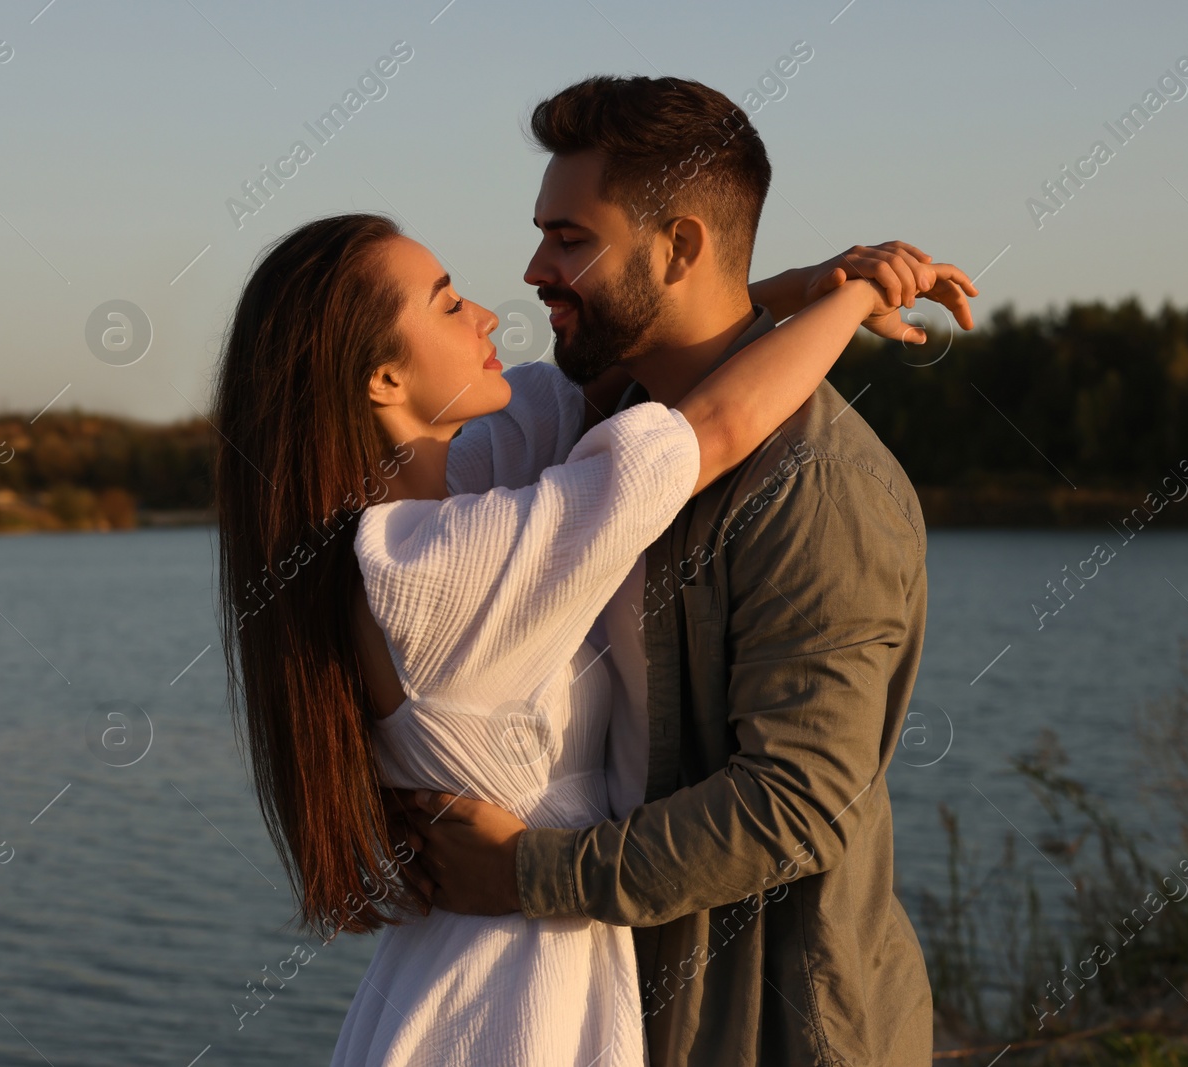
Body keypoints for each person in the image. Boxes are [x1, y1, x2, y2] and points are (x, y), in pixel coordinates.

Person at [211, 207, 972, 1064]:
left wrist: (801, 289)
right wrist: (860, 294)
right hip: (513, 1000)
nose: (489, 314)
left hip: (473, 970)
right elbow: (714, 425)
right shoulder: (441, 570)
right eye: (447, 302)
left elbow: (641, 355)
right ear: (385, 379)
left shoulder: (458, 490)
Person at [400, 75, 975, 1066]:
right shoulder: (598, 430)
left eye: (570, 237)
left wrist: (526, 873)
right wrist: (807, 289)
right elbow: (700, 353)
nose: (534, 268)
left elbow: (797, 800)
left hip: (773, 1031)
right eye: (542, 233)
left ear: (678, 248)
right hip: (623, 1013)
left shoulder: (815, 484)